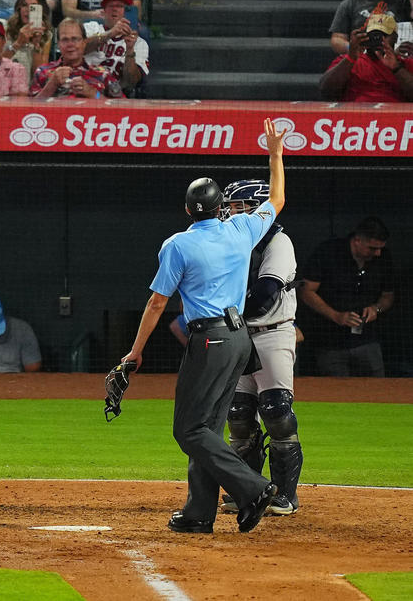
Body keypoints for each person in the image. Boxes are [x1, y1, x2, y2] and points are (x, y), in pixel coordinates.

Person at [120, 120, 287, 534]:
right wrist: (275, 154)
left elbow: (158, 301)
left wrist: (135, 351)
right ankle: (199, 514)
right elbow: (278, 199)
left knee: (189, 429)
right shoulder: (241, 229)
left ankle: (254, 487)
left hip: (210, 338)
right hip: (239, 339)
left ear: (187, 210)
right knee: (208, 427)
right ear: (221, 208)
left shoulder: (178, 244)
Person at [202, 180, 303, 518]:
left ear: (259, 208)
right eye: (229, 206)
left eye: (239, 205)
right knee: (239, 415)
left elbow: (265, 295)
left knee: (276, 411)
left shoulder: (278, 241)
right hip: (239, 333)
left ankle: (284, 496)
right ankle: (248, 490)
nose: (231, 211)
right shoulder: (231, 242)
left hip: (272, 333)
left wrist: (224, 311)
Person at [299, 217, 396, 378]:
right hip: (330, 341)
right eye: (372, 248)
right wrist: (336, 316)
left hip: (368, 340)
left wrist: (375, 308)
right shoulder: (328, 252)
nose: (377, 253)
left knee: (377, 391)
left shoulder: (383, 258)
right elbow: (306, 291)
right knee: (337, 393)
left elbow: (388, 296)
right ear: (357, 240)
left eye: (380, 248)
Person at [319, 11, 413, 102]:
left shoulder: (405, 64)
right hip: (357, 115)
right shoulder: (349, 61)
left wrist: (397, 68)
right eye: (373, 35)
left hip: (394, 115)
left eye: (383, 35)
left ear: (395, 37)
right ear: (365, 35)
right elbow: (326, 91)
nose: (378, 40)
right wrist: (350, 58)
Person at [30, 17, 121, 99]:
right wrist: (51, 85)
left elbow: (122, 109)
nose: (70, 44)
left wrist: (93, 94)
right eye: (65, 40)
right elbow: (29, 111)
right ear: (58, 44)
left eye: (75, 39)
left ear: (84, 42)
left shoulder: (102, 74)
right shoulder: (42, 72)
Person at [84, 0, 148, 96]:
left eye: (119, 6)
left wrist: (130, 50)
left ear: (128, 12)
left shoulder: (139, 43)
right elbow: (78, 49)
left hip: (116, 95)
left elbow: (132, 82)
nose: (114, 9)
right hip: (85, 88)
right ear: (103, 12)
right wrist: (110, 34)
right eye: (110, 6)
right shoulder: (91, 27)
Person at [3, 0, 53, 75]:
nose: (27, 10)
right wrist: (18, 43)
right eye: (24, 5)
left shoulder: (46, 34)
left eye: (33, 7)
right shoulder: (5, 28)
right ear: (19, 8)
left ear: (41, 10)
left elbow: (38, 75)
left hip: (26, 85)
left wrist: (36, 46)